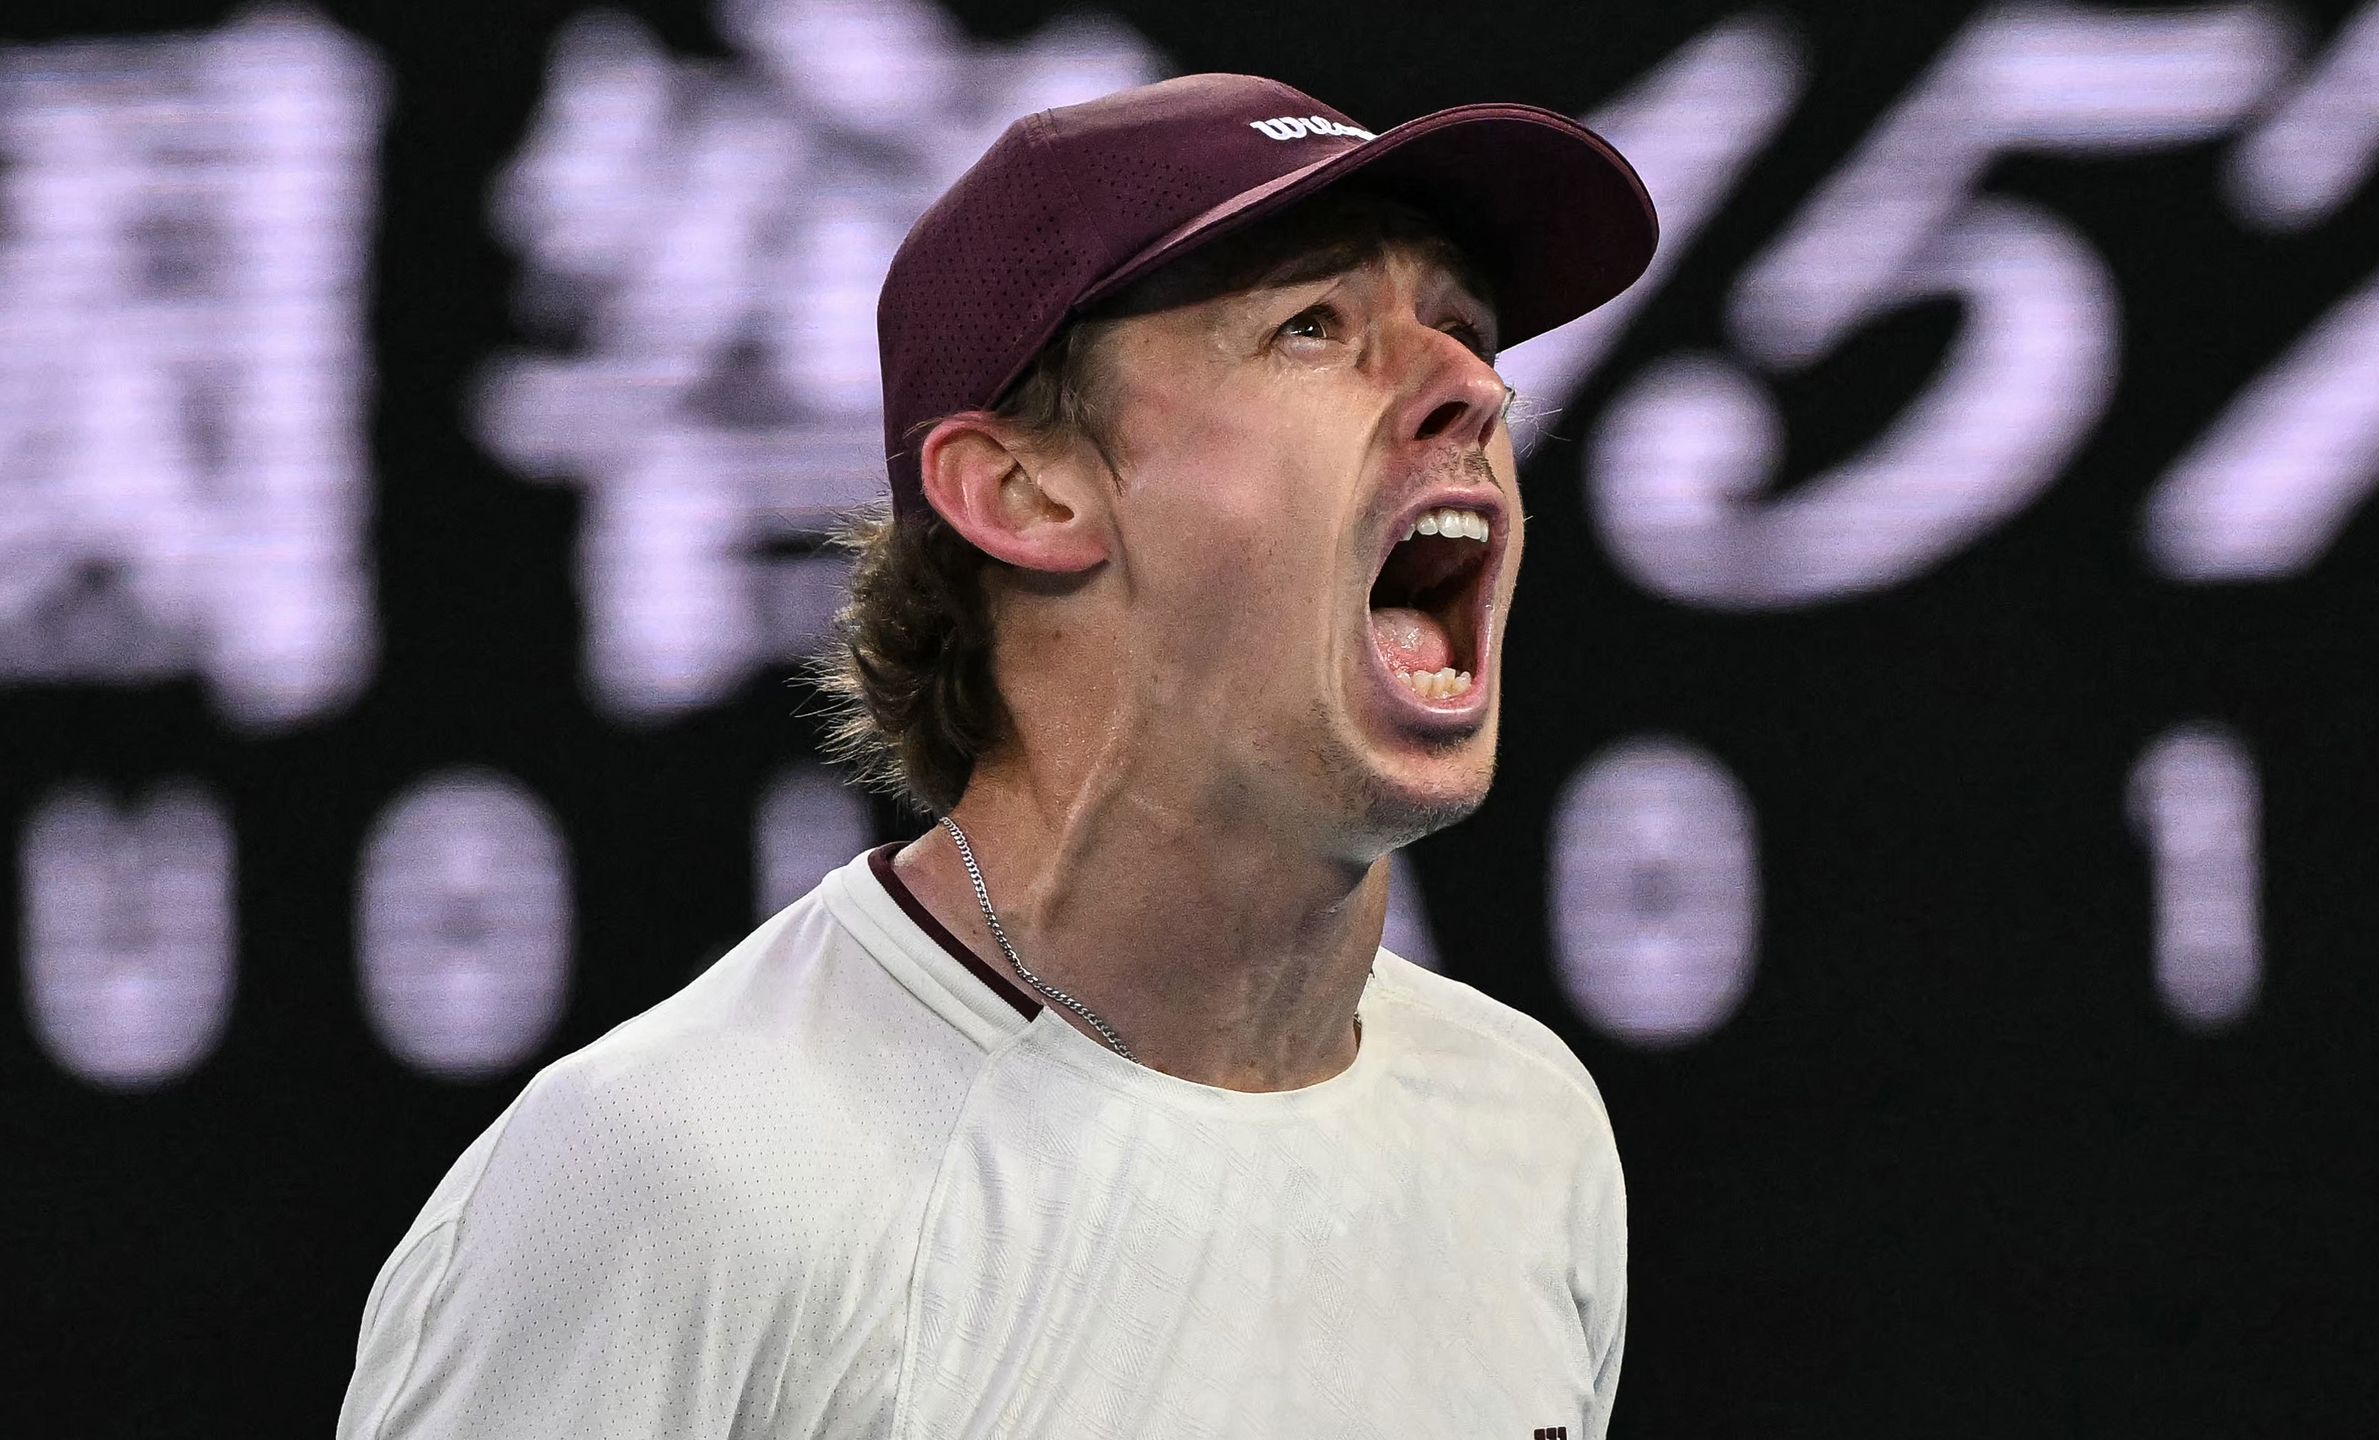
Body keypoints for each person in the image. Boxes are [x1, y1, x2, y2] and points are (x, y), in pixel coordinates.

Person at [338, 71, 1657, 1439]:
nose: (1474, 388)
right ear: (1021, 491)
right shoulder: (673, 1180)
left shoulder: (1530, 1135)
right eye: (1312, 327)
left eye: (1465, 329)